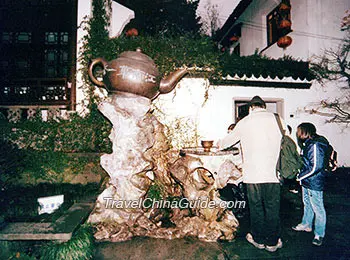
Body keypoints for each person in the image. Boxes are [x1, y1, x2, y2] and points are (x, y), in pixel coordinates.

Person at [217, 96, 284, 252]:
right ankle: (272, 242)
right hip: (273, 173)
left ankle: (259, 240)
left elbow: (227, 142)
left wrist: (218, 144)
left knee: (256, 208)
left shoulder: (245, 122)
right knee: (272, 207)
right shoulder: (278, 119)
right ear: (263, 106)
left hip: (253, 175)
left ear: (251, 108)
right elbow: (285, 137)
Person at [292, 122, 329, 246]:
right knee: (307, 204)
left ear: (305, 132)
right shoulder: (309, 143)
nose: (297, 134)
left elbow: (315, 167)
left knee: (318, 208)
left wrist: (300, 177)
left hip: (314, 182)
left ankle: (319, 234)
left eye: (299, 131)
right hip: (308, 181)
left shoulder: (314, 144)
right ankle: (306, 224)